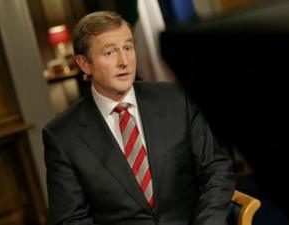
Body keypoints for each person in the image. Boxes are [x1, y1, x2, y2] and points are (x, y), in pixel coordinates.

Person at [43, 11, 235, 225]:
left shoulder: (176, 100)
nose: (124, 61)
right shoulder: (62, 136)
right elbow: (69, 219)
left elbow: (215, 168)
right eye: (109, 53)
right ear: (84, 64)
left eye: (127, 48)